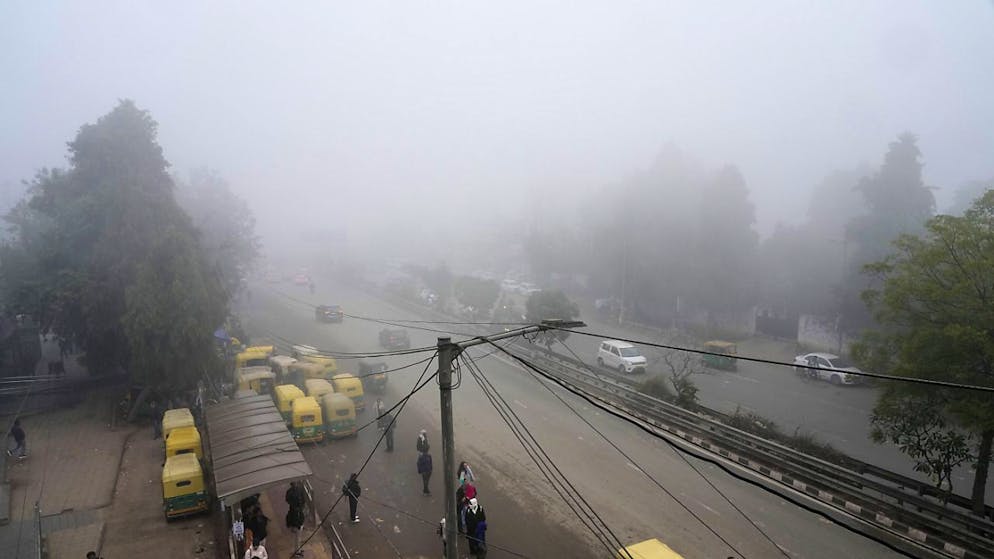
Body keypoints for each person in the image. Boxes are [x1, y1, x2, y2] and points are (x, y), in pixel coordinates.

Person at [285, 481, 306, 556]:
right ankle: (297, 551)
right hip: (298, 523)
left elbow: (303, 499)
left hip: (298, 520)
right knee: (298, 538)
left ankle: (298, 549)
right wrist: (298, 525)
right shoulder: (291, 492)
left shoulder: (298, 490)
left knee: (298, 538)